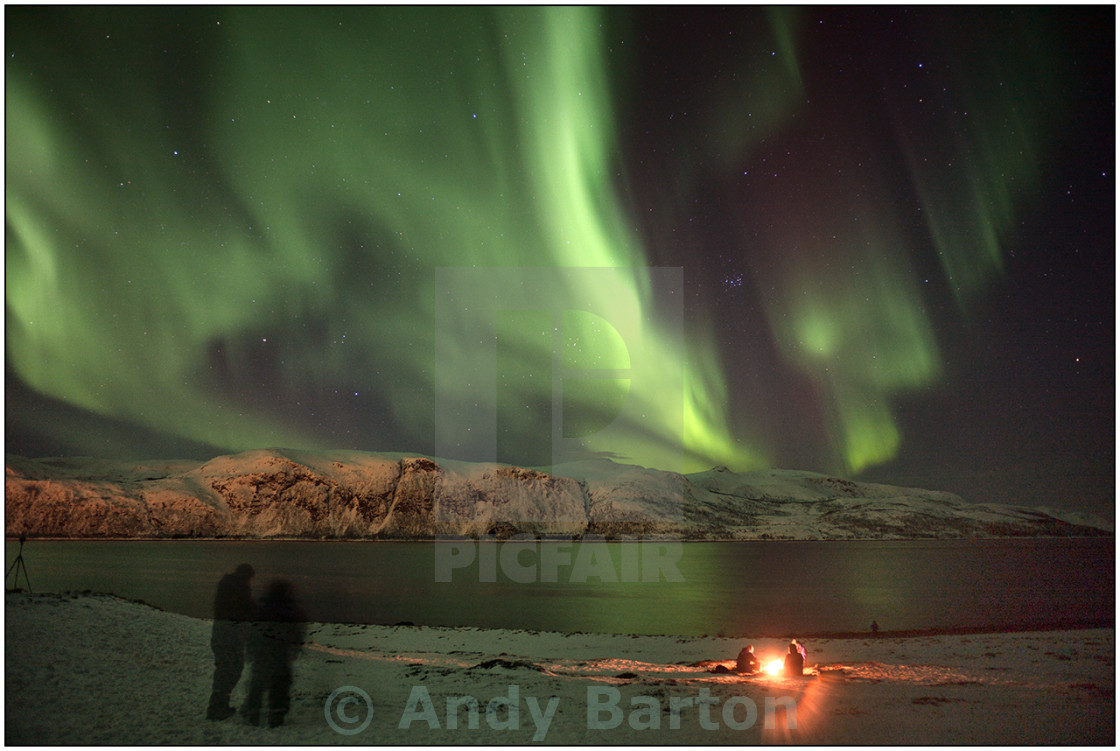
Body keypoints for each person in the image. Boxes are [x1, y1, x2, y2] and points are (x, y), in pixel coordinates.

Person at [243, 579, 307, 728]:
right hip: (281, 652)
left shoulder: (263, 609)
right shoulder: (291, 611)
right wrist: (295, 647)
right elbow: (297, 632)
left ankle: (253, 713)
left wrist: (251, 649)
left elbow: (253, 631)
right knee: (280, 684)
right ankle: (276, 715)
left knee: (257, 683)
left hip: (262, 652)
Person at [207, 563, 255, 721]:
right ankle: (217, 708)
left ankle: (219, 706)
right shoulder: (240, 589)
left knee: (226, 668)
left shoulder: (227, 587)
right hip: (230, 635)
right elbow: (247, 610)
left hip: (221, 633)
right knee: (230, 668)